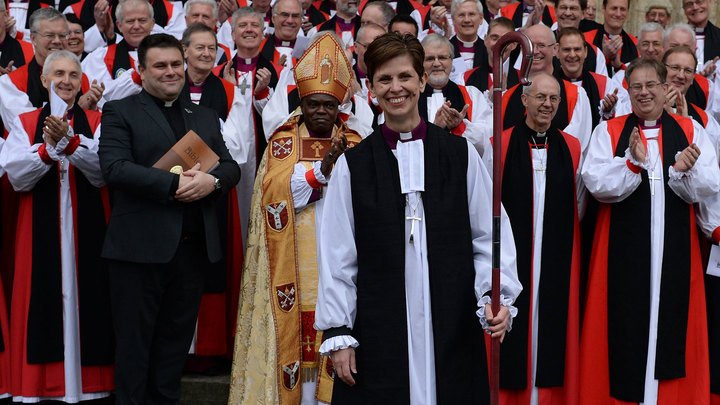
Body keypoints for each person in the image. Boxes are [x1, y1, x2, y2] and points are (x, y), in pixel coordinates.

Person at [314, 32, 522, 404]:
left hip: (451, 317)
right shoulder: (353, 166)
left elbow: (489, 234)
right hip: (380, 323)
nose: (396, 88)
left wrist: (496, 294)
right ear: (371, 88)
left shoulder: (460, 155)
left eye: (405, 77)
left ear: (423, 80)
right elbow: (337, 255)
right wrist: (339, 330)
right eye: (385, 79)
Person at [98, 33, 240, 404]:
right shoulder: (119, 111)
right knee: (134, 349)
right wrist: (175, 183)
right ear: (140, 70)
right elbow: (114, 168)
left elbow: (230, 167)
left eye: (176, 64)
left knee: (173, 350)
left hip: (191, 253)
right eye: (160, 65)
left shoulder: (205, 116)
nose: (171, 71)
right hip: (138, 254)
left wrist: (211, 181)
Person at [229, 32, 362, 405]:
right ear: (301, 102)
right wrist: (322, 171)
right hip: (291, 264)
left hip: (339, 261)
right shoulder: (283, 142)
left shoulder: (356, 142)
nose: (321, 112)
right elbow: (271, 195)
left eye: (329, 106)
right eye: (314, 104)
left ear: (340, 107)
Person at [580, 57, 719, 405]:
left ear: (664, 87)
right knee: (623, 335)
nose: (644, 93)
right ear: (628, 90)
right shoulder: (609, 131)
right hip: (621, 256)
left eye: (651, 85)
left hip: (675, 255)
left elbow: (708, 185)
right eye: (636, 86)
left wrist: (684, 172)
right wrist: (630, 163)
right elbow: (595, 181)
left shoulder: (690, 130)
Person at [0, 50, 114, 402]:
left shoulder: (96, 120)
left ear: (82, 81)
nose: (66, 80)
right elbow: (16, 174)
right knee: (42, 296)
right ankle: (42, 387)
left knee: (89, 295)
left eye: (73, 74)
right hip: (38, 229)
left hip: (88, 225)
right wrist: (48, 151)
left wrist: (71, 143)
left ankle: (90, 388)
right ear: (45, 79)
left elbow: (102, 172)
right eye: (58, 74)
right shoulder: (24, 121)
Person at [487, 71, 582, 405]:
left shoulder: (571, 148)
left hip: (555, 260)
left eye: (554, 98)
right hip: (515, 260)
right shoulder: (498, 143)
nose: (547, 104)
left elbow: (578, 204)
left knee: (551, 332)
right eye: (540, 97)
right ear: (524, 100)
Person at [501, 24, 592, 150]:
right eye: (530, 45)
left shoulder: (575, 96)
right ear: (522, 49)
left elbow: (575, 145)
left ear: (555, 49)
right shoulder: (508, 96)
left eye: (541, 45)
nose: (535, 51)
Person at [421, 33, 492, 154]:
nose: (437, 63)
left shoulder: (472, 95)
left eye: (442, 57)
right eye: (430, 58)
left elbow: (488, 141)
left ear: (451, 61)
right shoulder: (410, 97)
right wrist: (434, 130)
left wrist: (460, 127)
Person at [583, 0, 637, 77]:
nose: (618, 14)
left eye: (622, 9)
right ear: (603, 8)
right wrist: (604, 56)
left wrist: (618, 66)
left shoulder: (635, 44)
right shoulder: (585, 39)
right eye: (614, 8)